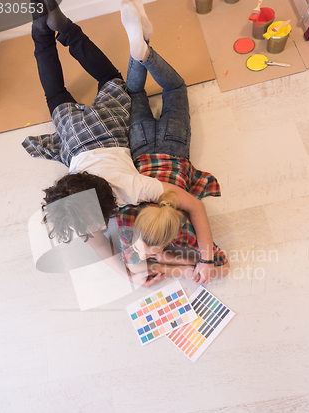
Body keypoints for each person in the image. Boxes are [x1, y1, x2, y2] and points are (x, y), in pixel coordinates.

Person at [22, 0, 226, 287]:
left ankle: (59, 28)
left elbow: (99, 245)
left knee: (119, 82)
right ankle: (51, 30)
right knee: (61, 92)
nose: (99, 228)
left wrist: (129, 275)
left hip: (111, 134)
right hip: (77, 136)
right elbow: (97, 242)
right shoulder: (78, 193)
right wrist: (130, 273)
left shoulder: (131, 189)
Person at [116, 0, 229, 283]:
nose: (146, 256)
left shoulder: (179, 223)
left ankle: (145, 49)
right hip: (141, 148)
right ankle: (142, 46)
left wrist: (189, 264)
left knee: (175, 87)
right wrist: (185, 263)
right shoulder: (126, 221)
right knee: (135, 94)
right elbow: (140, 265)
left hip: (174, 147)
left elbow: (223, 265)